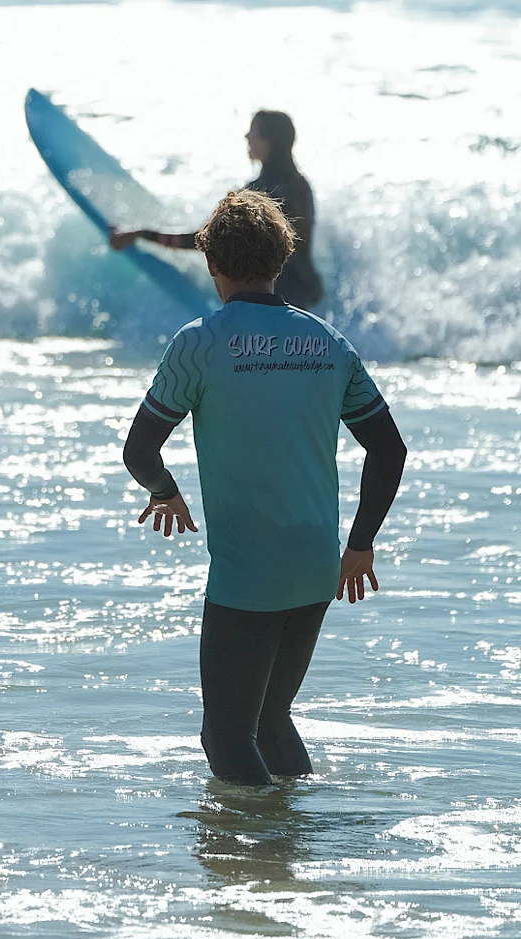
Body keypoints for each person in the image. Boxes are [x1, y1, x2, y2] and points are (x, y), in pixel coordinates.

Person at [123, 190, 406, 787]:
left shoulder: (199, 342)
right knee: (271, 719)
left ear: (211, 262)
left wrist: (164, 490)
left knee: (226, 735)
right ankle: (293, 827)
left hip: (247, 572)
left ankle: (265, 840)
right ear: (282, 259)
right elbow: (389, 449)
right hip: (316, 567)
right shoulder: (328, 341)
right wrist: (360, 544)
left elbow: (139, 450)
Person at [110, 110, 324, 309]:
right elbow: (298, 250)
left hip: (264, 303)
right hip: (297, 298)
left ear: (270, 141)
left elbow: (204, 239)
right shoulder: (301, 186)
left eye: (254, 131)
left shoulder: (257, 193)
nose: (247, 137)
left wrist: (142, 234)